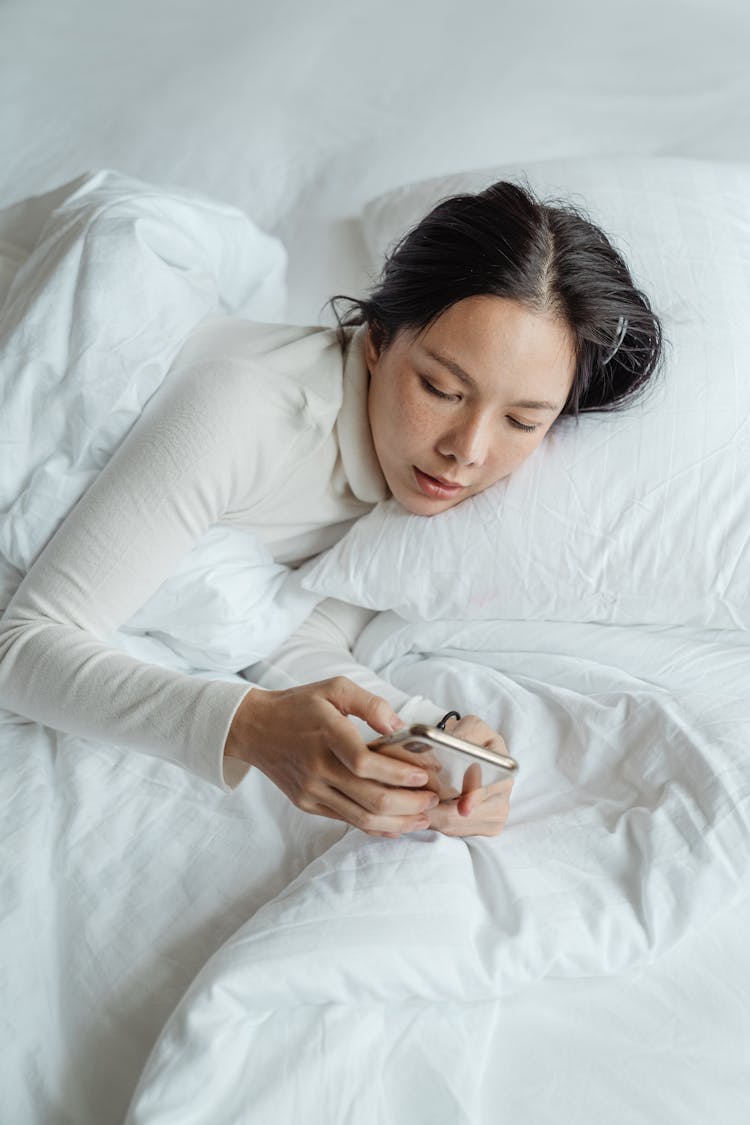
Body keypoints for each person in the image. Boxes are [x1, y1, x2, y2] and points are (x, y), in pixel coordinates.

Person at [0, 180, 662, 839]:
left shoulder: (423, 495)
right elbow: (25, 643)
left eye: (522, 421)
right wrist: (247, 725)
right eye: (440, 388)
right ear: (375, 340)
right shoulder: (248, 414)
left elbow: (292, 634)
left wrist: (430, 737)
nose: (467, 451)